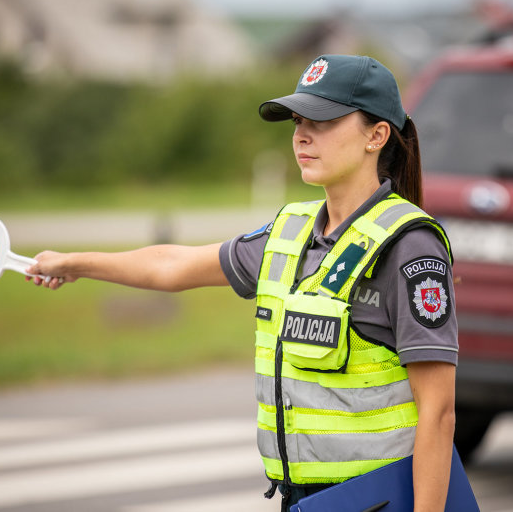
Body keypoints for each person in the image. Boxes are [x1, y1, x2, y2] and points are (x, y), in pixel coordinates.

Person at [27, 54, 458, 512]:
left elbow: (438, 413)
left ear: (377, 135)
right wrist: (74, 262)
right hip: (303, 502)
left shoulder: (409, 247)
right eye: (297, 120)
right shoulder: (289, 232)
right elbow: (171, 265)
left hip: (377, 499)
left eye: (324, 120)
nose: (302, 135)